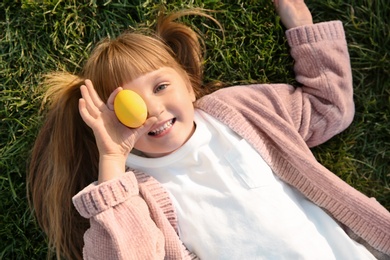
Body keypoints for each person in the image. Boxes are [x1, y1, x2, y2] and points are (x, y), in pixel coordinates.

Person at [28, 0, 390, 259]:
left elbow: (329, 108)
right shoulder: (134, 196)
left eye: (160, 87)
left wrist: (299, 18)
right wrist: (111, 159)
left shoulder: (239, 112)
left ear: (189, 85)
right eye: (126, 105)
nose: (152, 111)